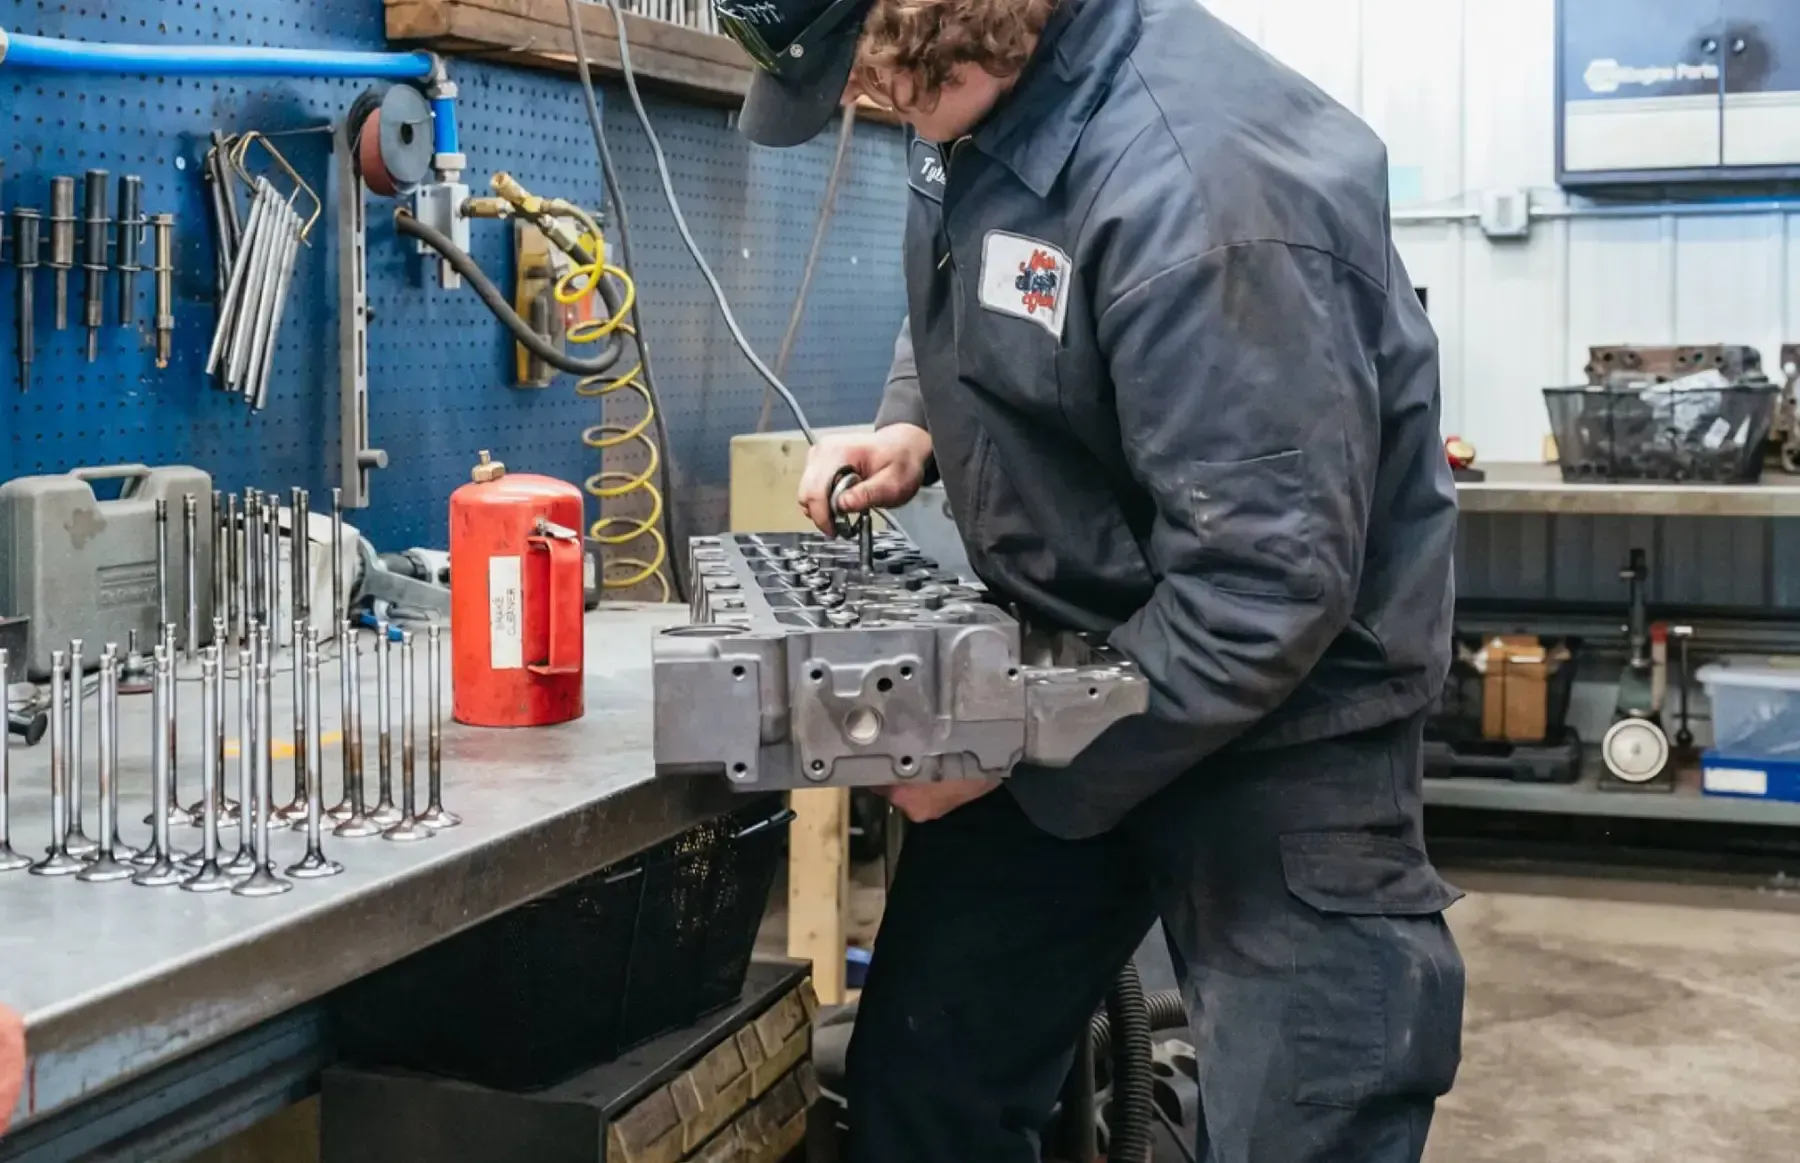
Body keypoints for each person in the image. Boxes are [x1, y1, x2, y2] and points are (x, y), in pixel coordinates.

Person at [719, 0, 1467, 1158]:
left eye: (872, 75)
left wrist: (1003, 747)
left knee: (1303, 1128)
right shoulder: (997, 95)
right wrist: (917, 427)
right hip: (1078, 663)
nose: (864, 101)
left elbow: (1264, 592)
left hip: (1284, 724)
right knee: (928, 1080)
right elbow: (1006, 275)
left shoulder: (1206, 195)